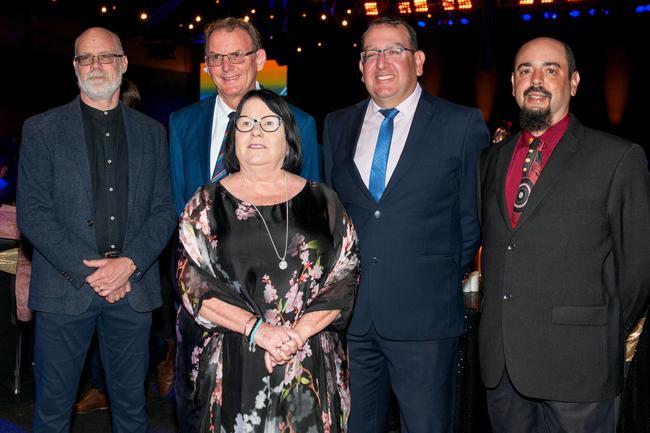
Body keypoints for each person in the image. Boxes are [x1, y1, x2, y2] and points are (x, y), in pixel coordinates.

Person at [323, 16, 489, 433]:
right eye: (371, 54)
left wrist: (434, 279)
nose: (382, 62)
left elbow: (473, 218)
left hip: (426, 319)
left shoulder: (461, 123)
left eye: (393, 50)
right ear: (360, 66)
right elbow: (332, 217)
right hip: (352, 319)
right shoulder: (338, 124)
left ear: (418, 61)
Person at [477, 37, 650, 433]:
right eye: (525, 70)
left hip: (580, 369)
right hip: (502, 369)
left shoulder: (617, 158)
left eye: (550, 70)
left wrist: (597, 335)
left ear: (572, 83)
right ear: (513, 83)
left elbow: (638, 269)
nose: (536, 80)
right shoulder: (490, 161)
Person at [16, 27, 177, 433]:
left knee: (132, 412)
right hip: (63, 291)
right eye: (86, 58)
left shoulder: (153, 134)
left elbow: (163, 211)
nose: (96, 65)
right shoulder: (41, 129)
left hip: (133, 291)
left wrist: (129, 264)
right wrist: (96, 272)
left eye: (105, 56)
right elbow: (32, 213)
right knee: (52, 413)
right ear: (75, 67)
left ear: (123, 64)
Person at [176, 88, 359, 432]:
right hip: (236, 360)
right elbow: (191, 280)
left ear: (290, 138)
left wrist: (296, 334)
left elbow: (345, 274)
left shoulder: (324, 201)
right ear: (233, 139)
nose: (255, 131)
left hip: (308, 358)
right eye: (245, 123)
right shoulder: (205, 203)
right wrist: (259, 331)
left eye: (268, 123)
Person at [169, 17, 322, 217]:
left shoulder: (298, 124)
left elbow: (310, 209)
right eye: (216, 57)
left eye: (236, 55)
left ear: (259, 59)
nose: (226, 66)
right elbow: (179, 205)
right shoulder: (182, 123)